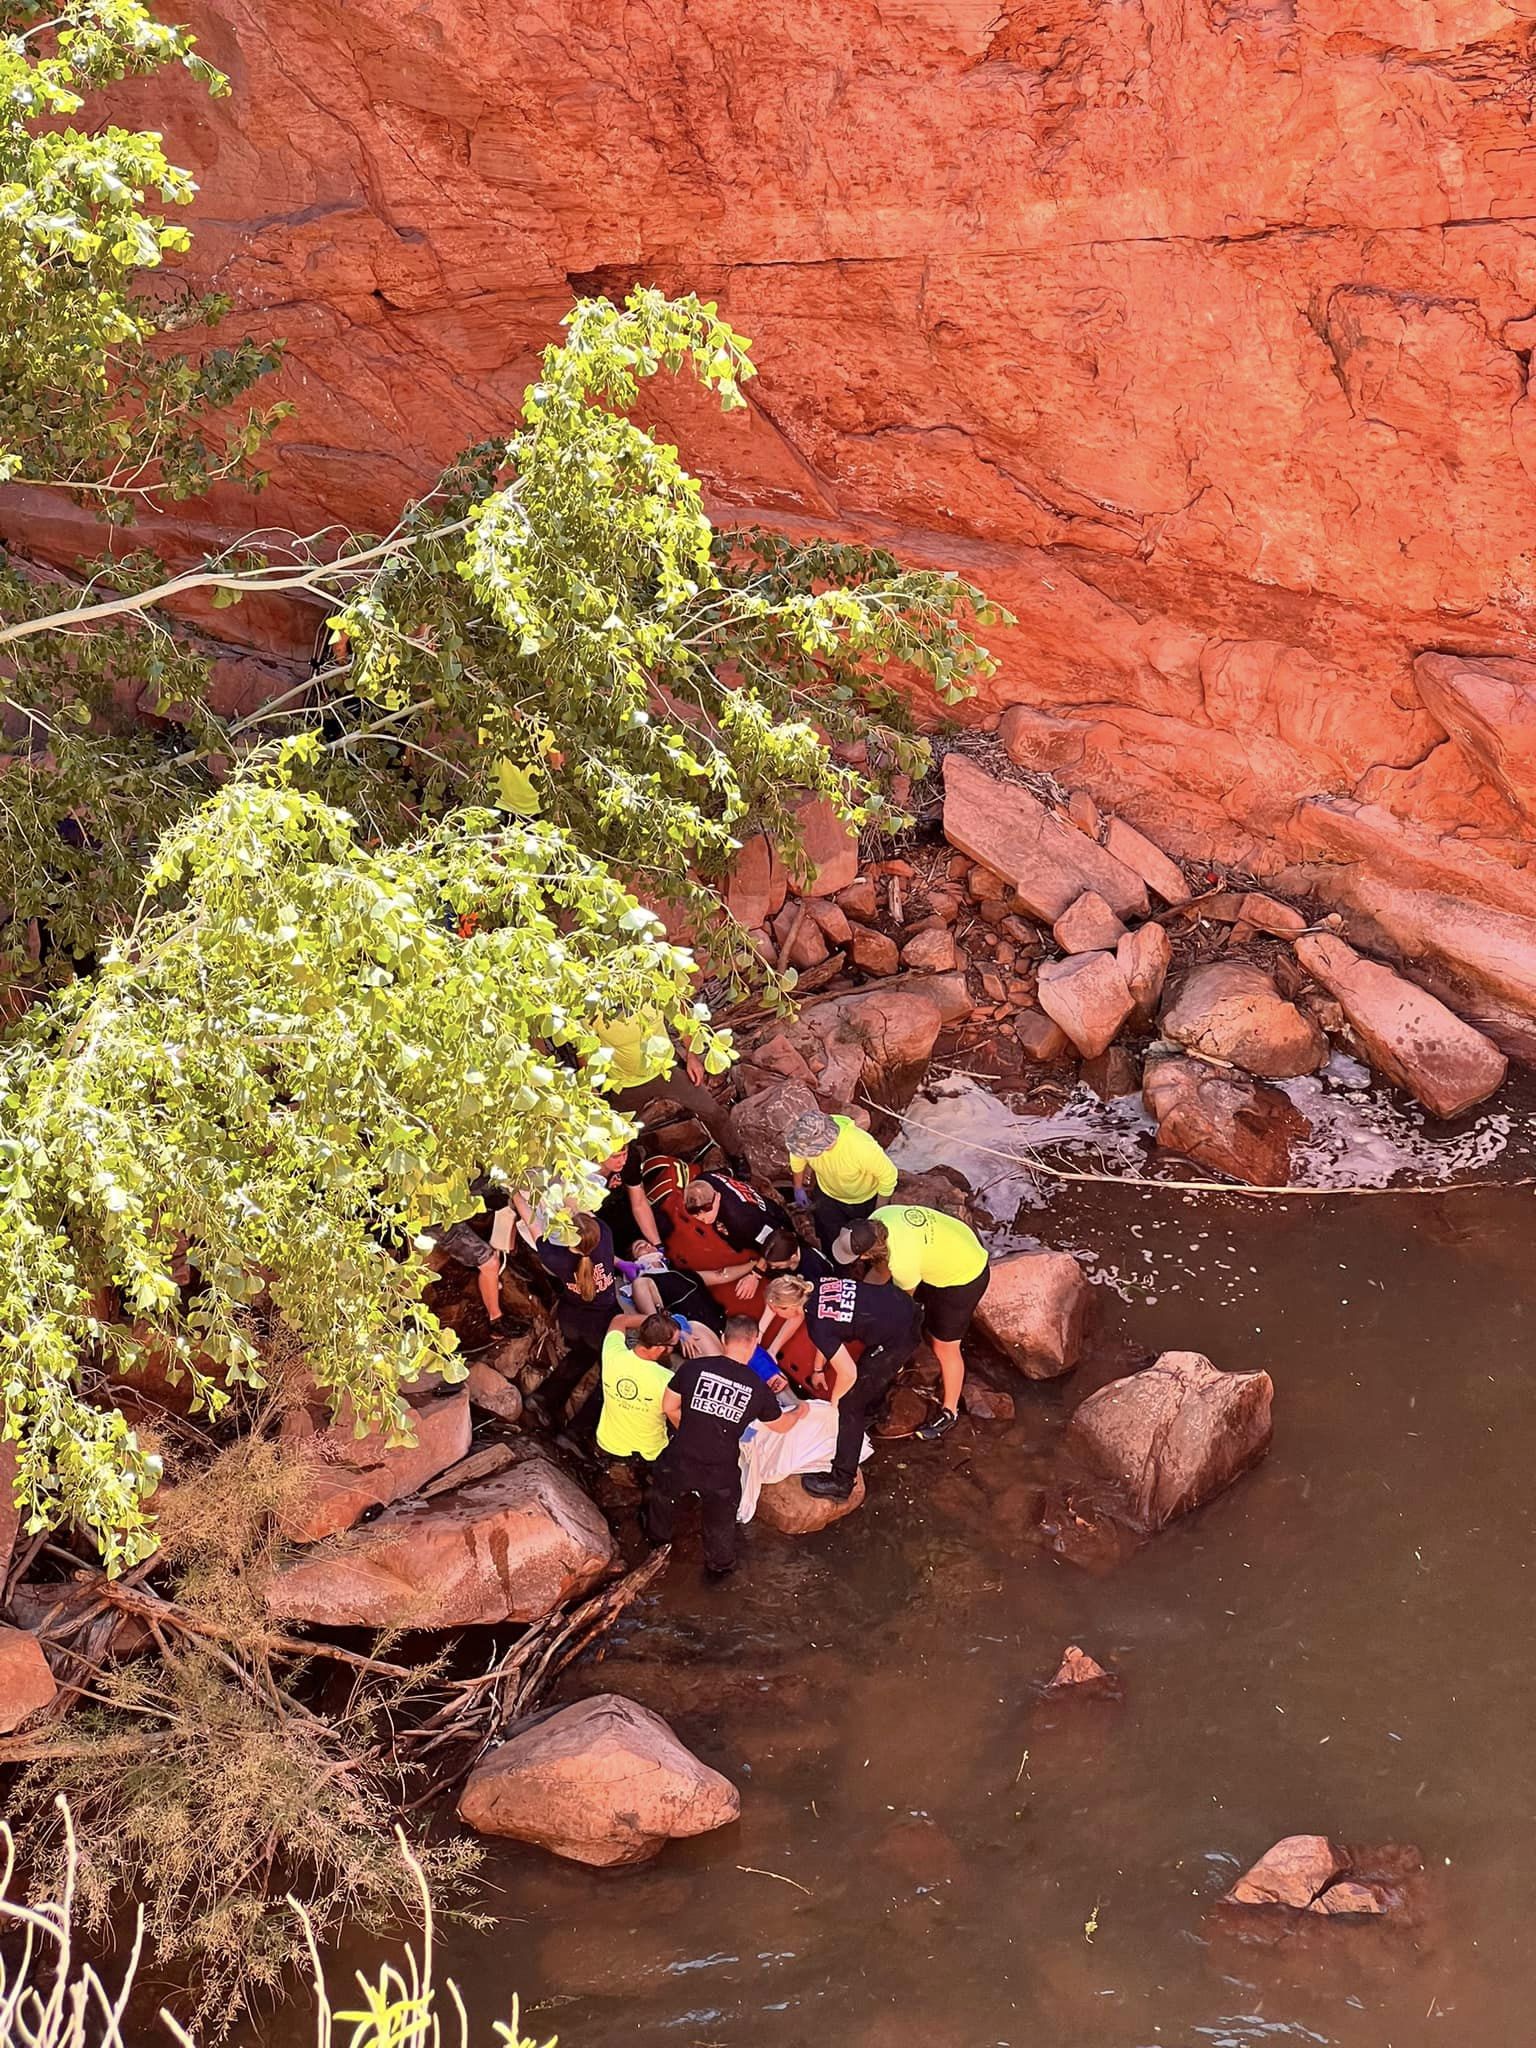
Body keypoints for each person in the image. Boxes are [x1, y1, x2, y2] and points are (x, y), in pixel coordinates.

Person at [647, 1315, 803, 1575]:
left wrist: (689, 1428)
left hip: (680, 1457)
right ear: (755, 1343)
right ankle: (718, 1569)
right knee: (720, 1523)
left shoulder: (693, 1369)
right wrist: (799, 1411)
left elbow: (669, 1406)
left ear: (723, 1339)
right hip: (720, 1470)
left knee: (661, 1497)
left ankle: (656, 1544)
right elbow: (781, 1425)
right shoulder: (758, 1387)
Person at [832, 1207, 991, 1442]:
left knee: (943, 1346)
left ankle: (949, 1411)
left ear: (866, 1254)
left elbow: (901, 1306)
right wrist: (859, 1302)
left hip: (965, 1276)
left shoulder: (903, 1262)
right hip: (952, 1244)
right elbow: (879, 1272)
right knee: (921, 1318)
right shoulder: (881, 1218)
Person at [764, 1271, 920, 1499]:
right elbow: (829, 1334)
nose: (775, 1314)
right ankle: (876, 1410)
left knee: (850, 1405)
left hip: (897, 1338)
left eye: (776, 1310)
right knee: (870, 1373)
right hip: (901, 1307)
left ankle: (842, 1481)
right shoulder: (815, 1285)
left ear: (789, 1308)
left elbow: (848, 1372)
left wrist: (837, 1402)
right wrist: (818, 1369)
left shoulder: (817, 1324)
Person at [593, 1006, 744, 1165]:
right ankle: (625, 1172)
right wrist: (592, 1089)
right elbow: (584, 1049)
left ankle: (737, 1154)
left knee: (713, 1112)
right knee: (616, 1135)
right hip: (624, 1083)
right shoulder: (592, 1008)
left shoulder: (648, 985)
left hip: (666, 1068)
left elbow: (681, 1015)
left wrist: (692, 1057)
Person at [512, 1199, 620, 1360]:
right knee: (597, 1353)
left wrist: (514, 1191)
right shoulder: (605, 1234)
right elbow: (582, 1213)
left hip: (572, 1318)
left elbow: (531, 1222)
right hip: (606, 1316)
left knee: (575, 1352)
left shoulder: (555, 1257)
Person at [786, 1111, 899, 1254]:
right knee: (829, 1237)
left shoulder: (860, 1146)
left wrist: (878, 1213)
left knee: (864, 1244)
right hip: (827, 1195)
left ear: (826, 1144)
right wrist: (798, 1188)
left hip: (864, 1199)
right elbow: (797, 1158)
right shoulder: (805, 1135)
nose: (805, 1153)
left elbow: (888, 1176)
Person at [596, 1311, 681, 1463]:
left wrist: (655, 1323)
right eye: (674, 1345)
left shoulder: (612, 1353)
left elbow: (619, 1319)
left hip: (607, 1443)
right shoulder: (667, 1380)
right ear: (660, 1348)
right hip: (648, 1454)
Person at [424, 1219, 504, 1328]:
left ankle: (492, 1283)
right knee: (491, 1264)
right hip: (438, 1220)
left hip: (443, 1213)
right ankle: (495, 1317)